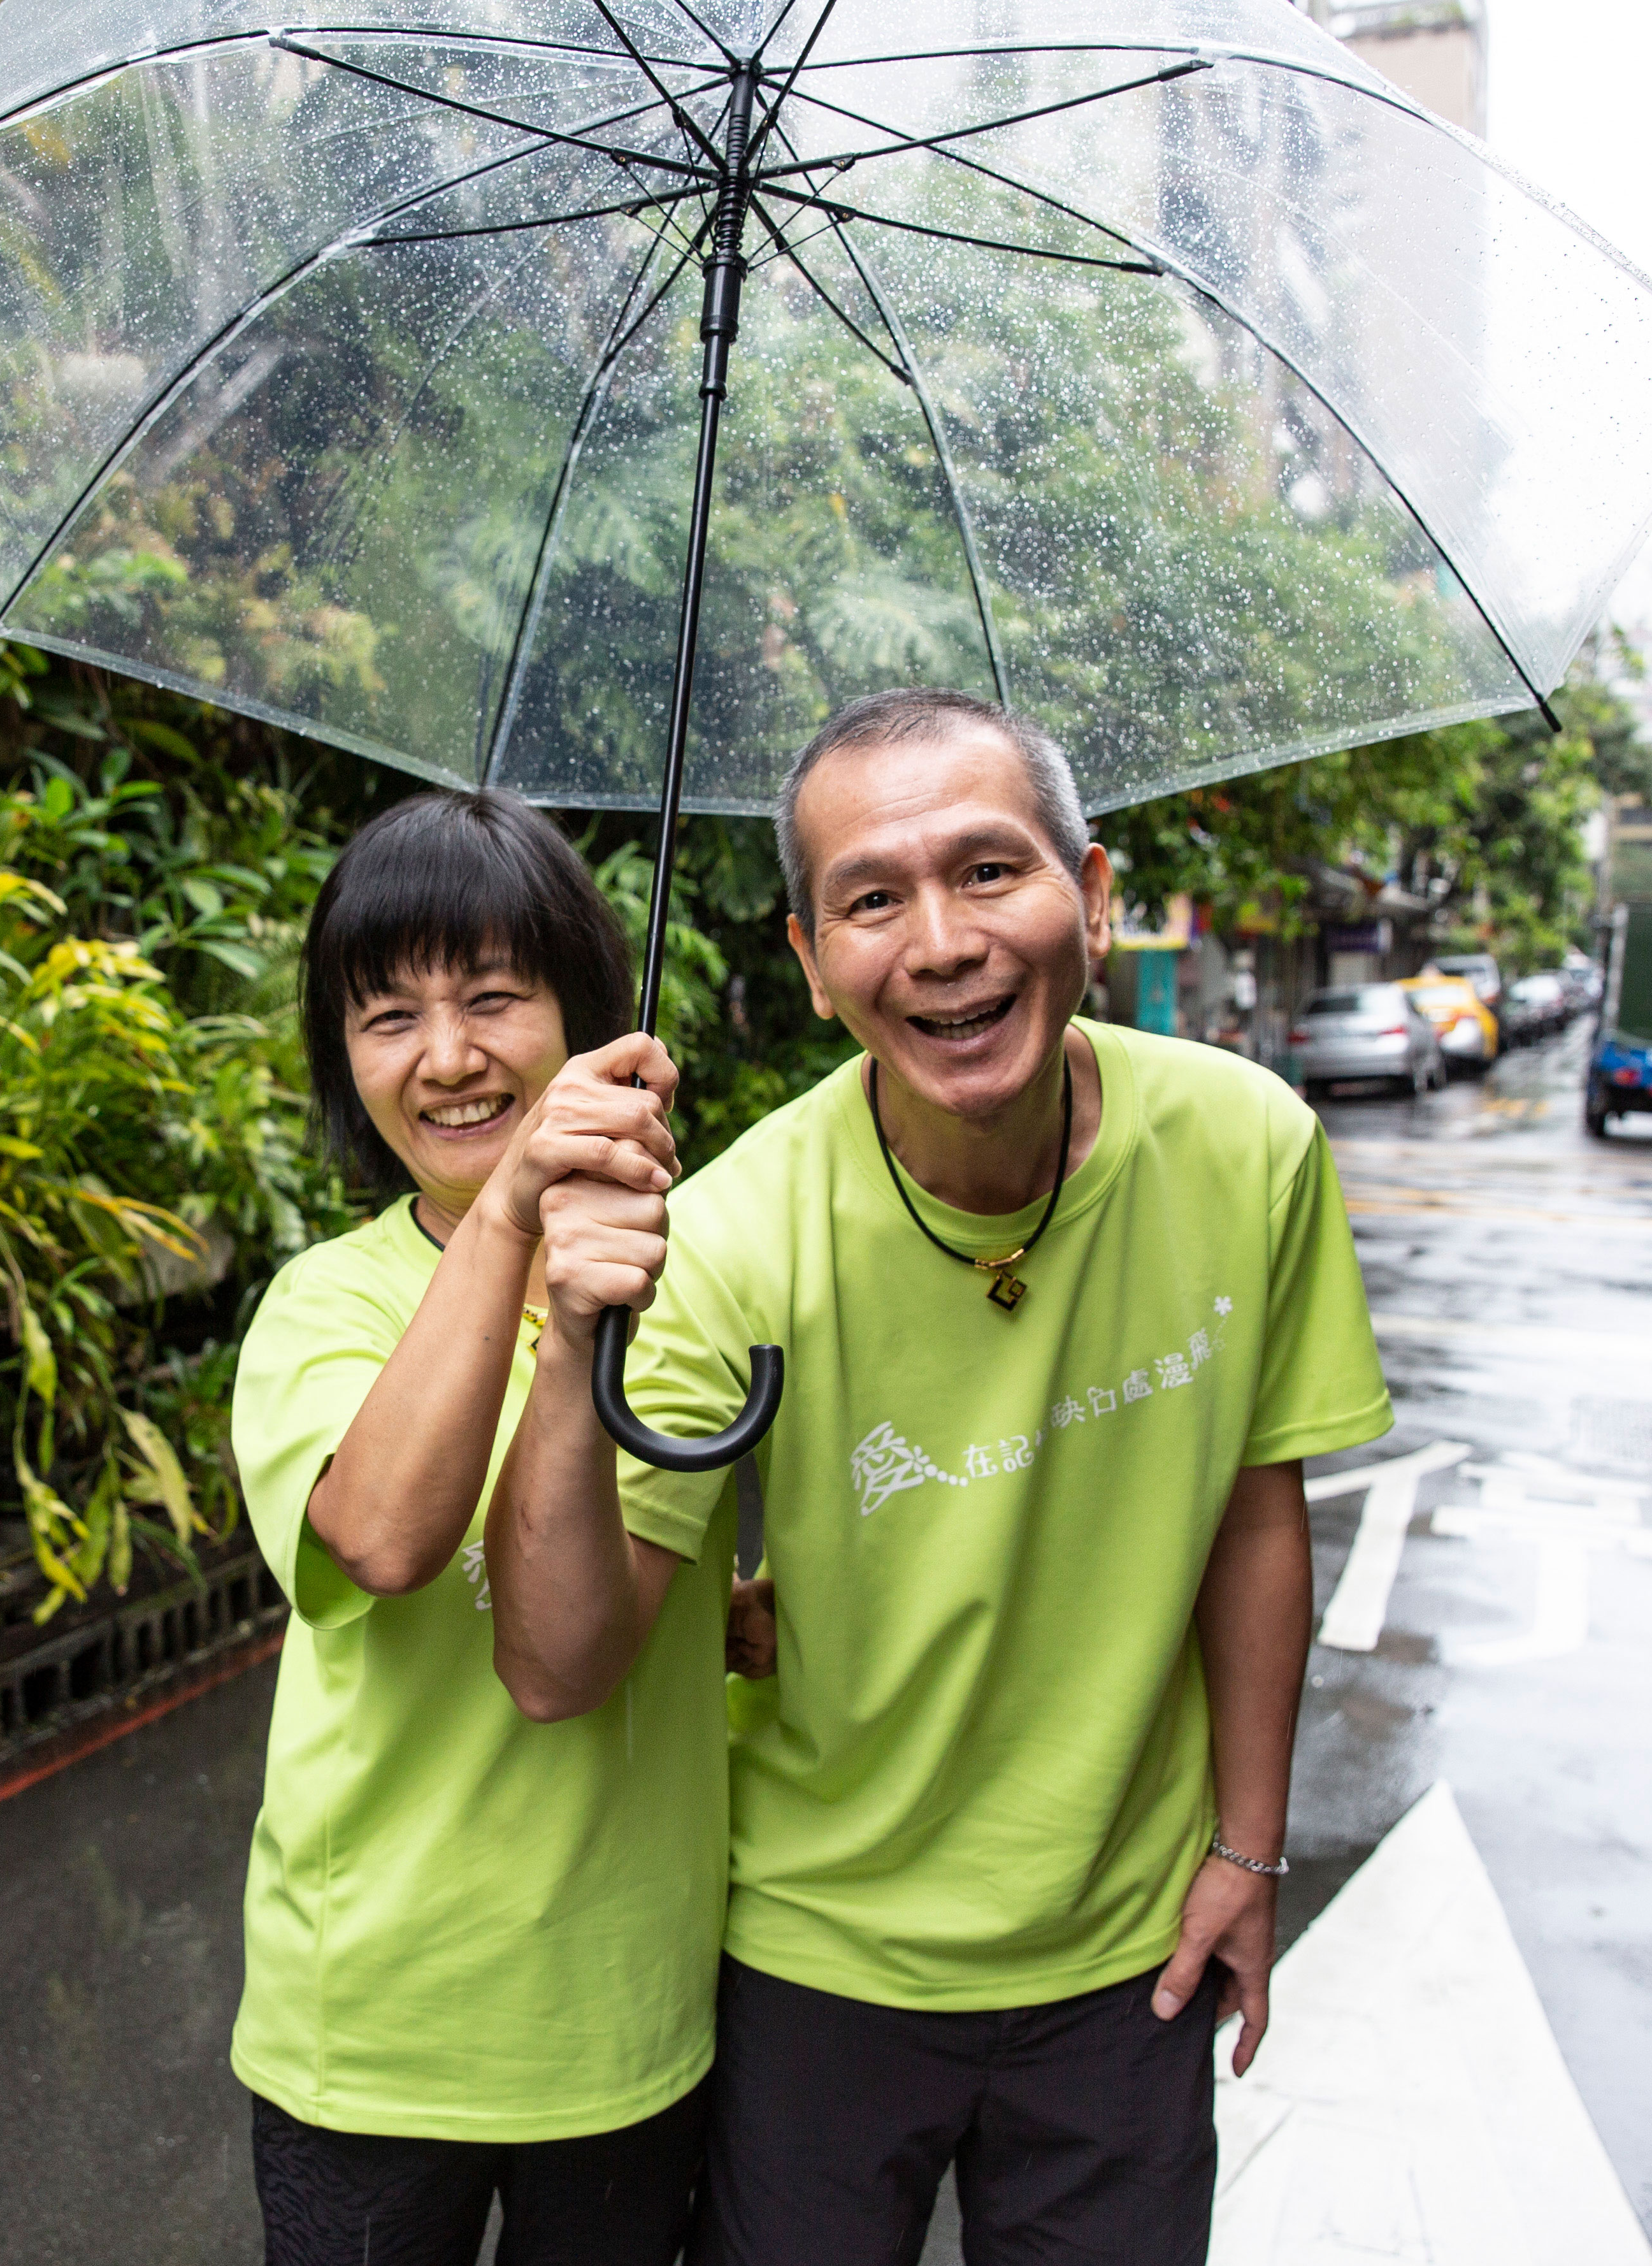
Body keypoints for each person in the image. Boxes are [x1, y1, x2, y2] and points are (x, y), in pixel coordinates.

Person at [487, 689, 1394, 2263]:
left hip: (1130, 1959)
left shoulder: (1252, 1146)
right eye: (873, 899)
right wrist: (570, 1338)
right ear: (813, 966)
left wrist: (1252, 1844)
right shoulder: (736, 1226)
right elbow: (562, 1660)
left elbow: (1257, 1505)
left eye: (990, 871)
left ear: (1094, 899)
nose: (943, 940)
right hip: (819, 1960)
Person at [227, 788, 726, 2266]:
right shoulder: (321, 1303)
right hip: (368, 2031)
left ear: (587, 1014)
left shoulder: (688, 1290)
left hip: (621, 2020)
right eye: (387, 1016)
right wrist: (514, 1213)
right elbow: (380, 1537)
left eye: (496, 997)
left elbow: (575, 1649)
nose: (446, 1057)